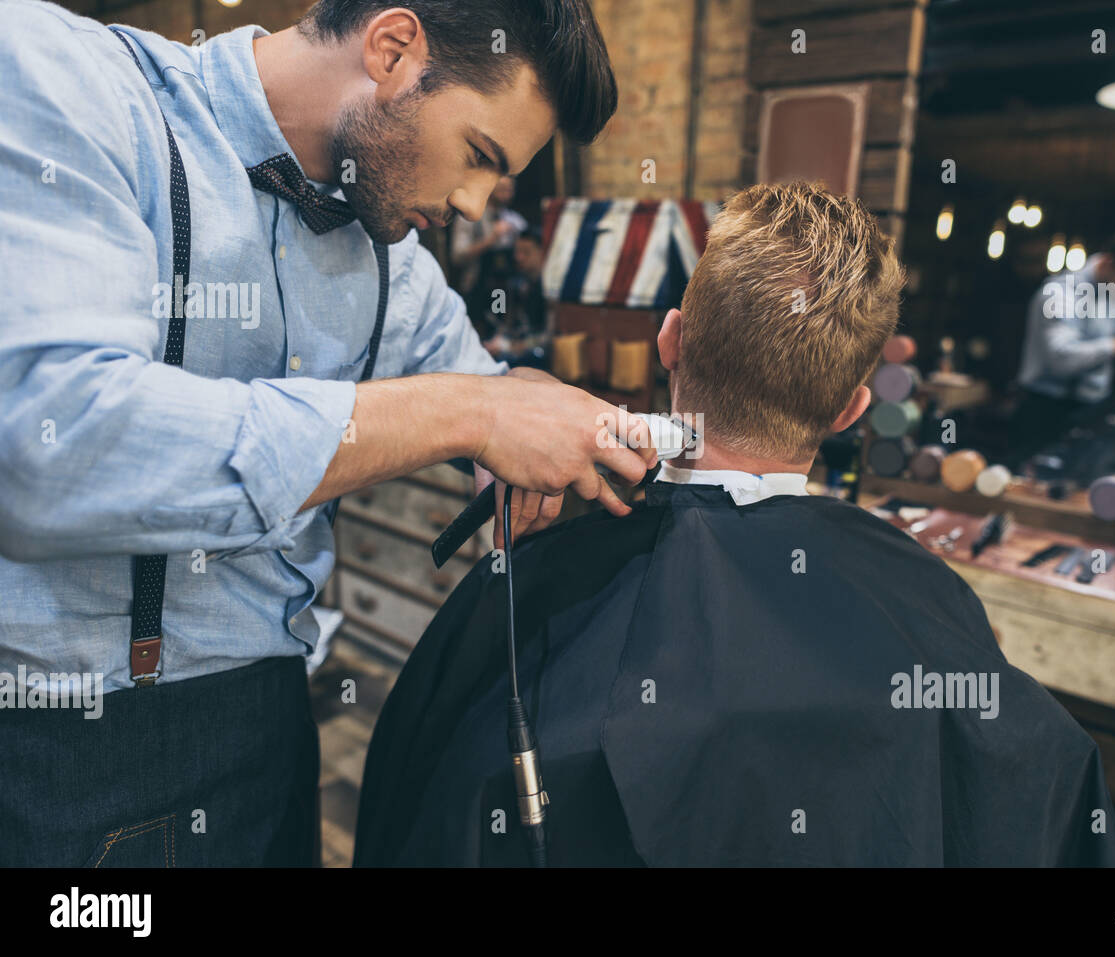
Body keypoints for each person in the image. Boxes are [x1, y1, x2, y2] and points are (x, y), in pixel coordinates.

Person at [0, 0, 656, 867]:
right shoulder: (66, 80)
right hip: (66, 744)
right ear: (392, 50)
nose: (471, 202)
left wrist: (528, 411)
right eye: (480, 157)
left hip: (272, 728)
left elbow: (495, 393)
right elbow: (52, 449)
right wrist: (469, 413)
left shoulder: (396, 265)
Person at [354, 182, 1115, 867]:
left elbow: (421, 800)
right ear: (851, 409)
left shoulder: (538, 585)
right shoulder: (925, 605)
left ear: (669, 341)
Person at [1012, 225, 1115, 466]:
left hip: (1091, 414)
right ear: (1108, 262)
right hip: (1043, 412)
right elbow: (1061, 358)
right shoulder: (1059, 293)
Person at [451, 174, 527, 310]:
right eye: (502, 188)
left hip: (503, 289)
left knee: (500, 315)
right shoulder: (469, 218)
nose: (507, 193)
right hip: (476, 287)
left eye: (510, 189)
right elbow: (458, 256)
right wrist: (491, 240)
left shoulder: (515, 220)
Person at [484, 226, 549, 366]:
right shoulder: (515, 283)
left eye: (526, 252)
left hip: (538, 352)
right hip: (517, 344)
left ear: (542, 253)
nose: (518, 257)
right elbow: (505, 322)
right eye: (517, 252)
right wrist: (498, 340)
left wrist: (512, 346)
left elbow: (549, 337)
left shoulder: (550, 288)